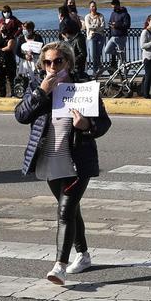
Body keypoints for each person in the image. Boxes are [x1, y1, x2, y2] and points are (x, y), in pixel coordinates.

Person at [15, 41, 111, 285]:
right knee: (71, 209)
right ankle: (84, 254)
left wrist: (87, 126)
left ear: (68, 61)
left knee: (64, 211)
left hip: (78, 161)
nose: (52, 66)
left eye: (58, 61)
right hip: (50, 159)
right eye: (47, 62)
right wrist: (42, 92)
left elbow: (104, 123)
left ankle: (59, 266)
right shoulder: (38, 85)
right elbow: (21, 115)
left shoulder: (82, 87)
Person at [0, 5, 21, 96]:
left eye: (8, 12)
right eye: (4, 12)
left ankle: (13, 92)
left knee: (11, 72)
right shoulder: (1, 21)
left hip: (11, 40)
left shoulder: (14, 20)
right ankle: (2, 93)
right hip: (2, 45)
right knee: (1, 74)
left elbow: (21, 27)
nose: (6, 14)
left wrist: (15, 35)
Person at [102, 0, 131, 73]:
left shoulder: (125, 14)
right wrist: (110, 25)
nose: (113, 8)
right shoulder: (113, 13)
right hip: (113, 36)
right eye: (112, 7)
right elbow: (110, 23)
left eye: (114, 7)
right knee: (107, 50)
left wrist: (116, 25)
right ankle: (120, 54)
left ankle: (123, 73)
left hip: (121, 37)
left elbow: (127, 25)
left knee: (121, 59)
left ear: (118, 5)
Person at [60, 5, 87, 76]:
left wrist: (72, 60)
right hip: (74, 65)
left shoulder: (77, 39)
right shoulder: (71, 22)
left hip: (76, 66)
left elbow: (83, 54)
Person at [84, 1, 106, 75]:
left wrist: (94, 28)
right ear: (89, 7)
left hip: (100, 36)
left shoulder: (101, 16)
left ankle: (96, 71)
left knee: (98, 54)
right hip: (91, 37)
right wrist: (97, 27)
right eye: (92, 6)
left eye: (95, 6)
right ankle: (97, 69)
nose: (94, 7)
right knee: (93, 55)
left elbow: (103, 26)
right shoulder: (87, 17)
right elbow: (88, 27)